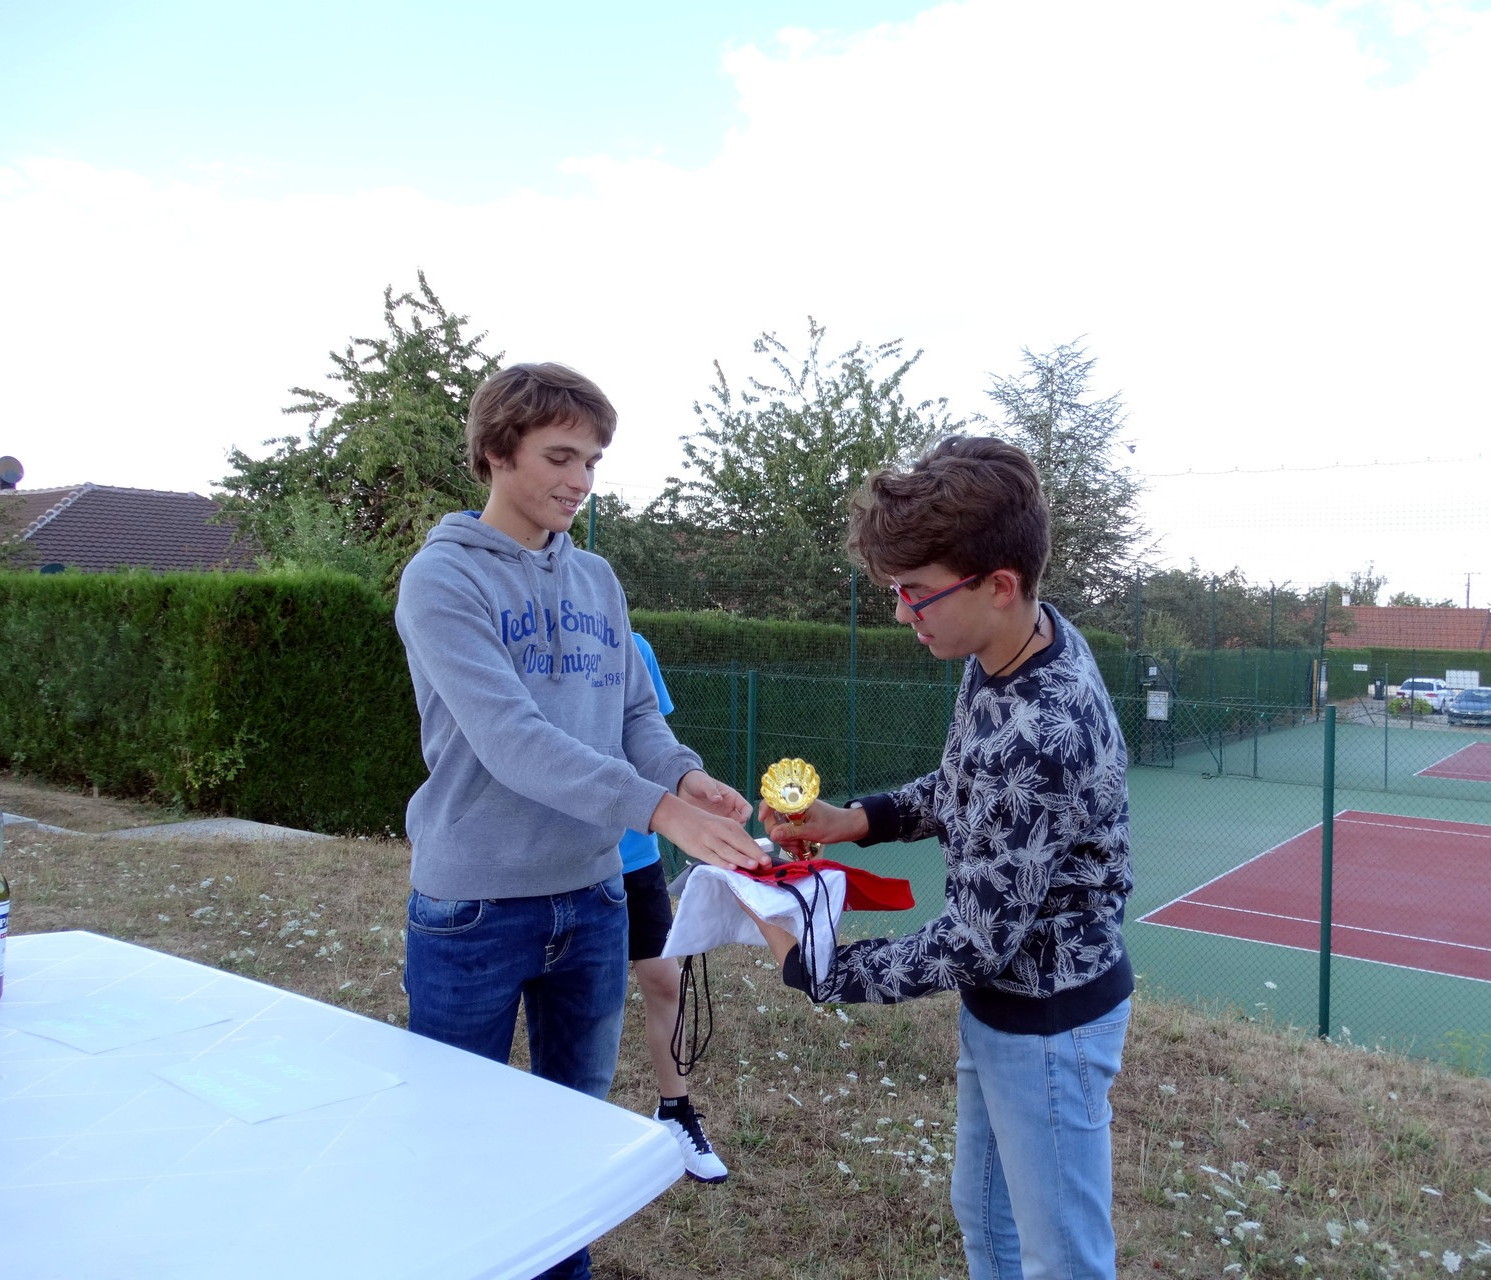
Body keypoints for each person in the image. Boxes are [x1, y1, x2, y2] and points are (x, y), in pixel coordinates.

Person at [394, 361, 768, 1280]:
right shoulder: (442, 580)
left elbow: (637, 718)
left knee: (571, 1132)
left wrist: (689, 777)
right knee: (456, 1133)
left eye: (594, 460)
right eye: (560, 456)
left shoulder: (597, 577)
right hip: (475, 907)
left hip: (593, 900)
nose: (580, 480)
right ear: (495, 453)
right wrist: (659, 811)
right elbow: (512, 740)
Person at [748, 435, 1134, 1280]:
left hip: (1050, 1025)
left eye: (917, 594)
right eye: (896, 590)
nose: (900, 614)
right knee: (985, 1215)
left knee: (1061, 1258)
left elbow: (973, 941)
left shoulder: (1042, 728)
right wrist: (856, 819)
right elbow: (966, 782)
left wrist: (818, 968)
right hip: (1003, 1008)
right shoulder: (1010, 646)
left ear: (999, 585)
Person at [619, 631, 729, 1182]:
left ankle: (675, 1110)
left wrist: (691, 786)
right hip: (556, 864)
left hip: (634, 854)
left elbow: (650, 734)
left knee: (665, 981)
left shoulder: (633, 646)